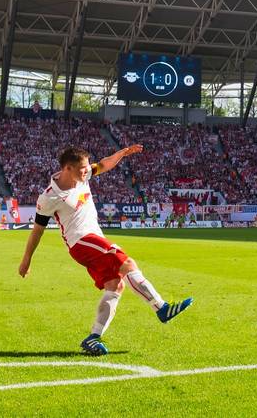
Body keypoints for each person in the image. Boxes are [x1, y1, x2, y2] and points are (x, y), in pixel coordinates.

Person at [17, 144, 194, 356]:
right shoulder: (48, 198)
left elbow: (102, 165)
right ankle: (161, 308)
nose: (87, 171)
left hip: (94, 238)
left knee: (115, 284)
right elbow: (37, 231)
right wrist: (27, 259)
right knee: (127, 264)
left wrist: (121, 154)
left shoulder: (82, 176)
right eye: (82, 169)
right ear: (67, 169)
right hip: (81, 242)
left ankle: (93, 337)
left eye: (86, 168)